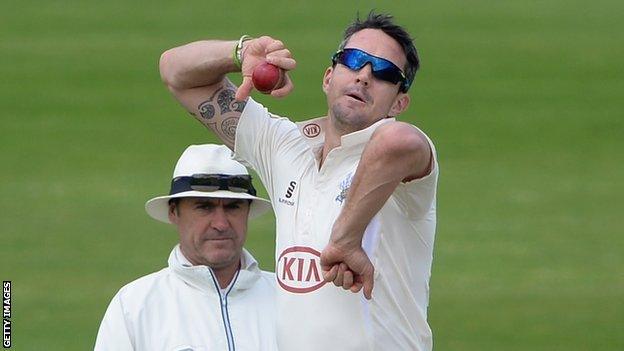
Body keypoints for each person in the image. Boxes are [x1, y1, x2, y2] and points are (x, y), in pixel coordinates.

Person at [159, 11, 438, 351]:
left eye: (384, 72)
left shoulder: (402, 159)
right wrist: (240, 53)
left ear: (399, 103)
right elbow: (175, 72)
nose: (364, 76)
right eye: (354, 60)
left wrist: (346, 238)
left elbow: (396, 143)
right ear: (328, 76)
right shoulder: (284, 148)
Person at [94, 144, 277, 351]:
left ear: (247, 212)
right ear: (174, 212)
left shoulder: (289, 299)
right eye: (204, 207)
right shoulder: (134, 306)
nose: (221, 223)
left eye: (233, 206)